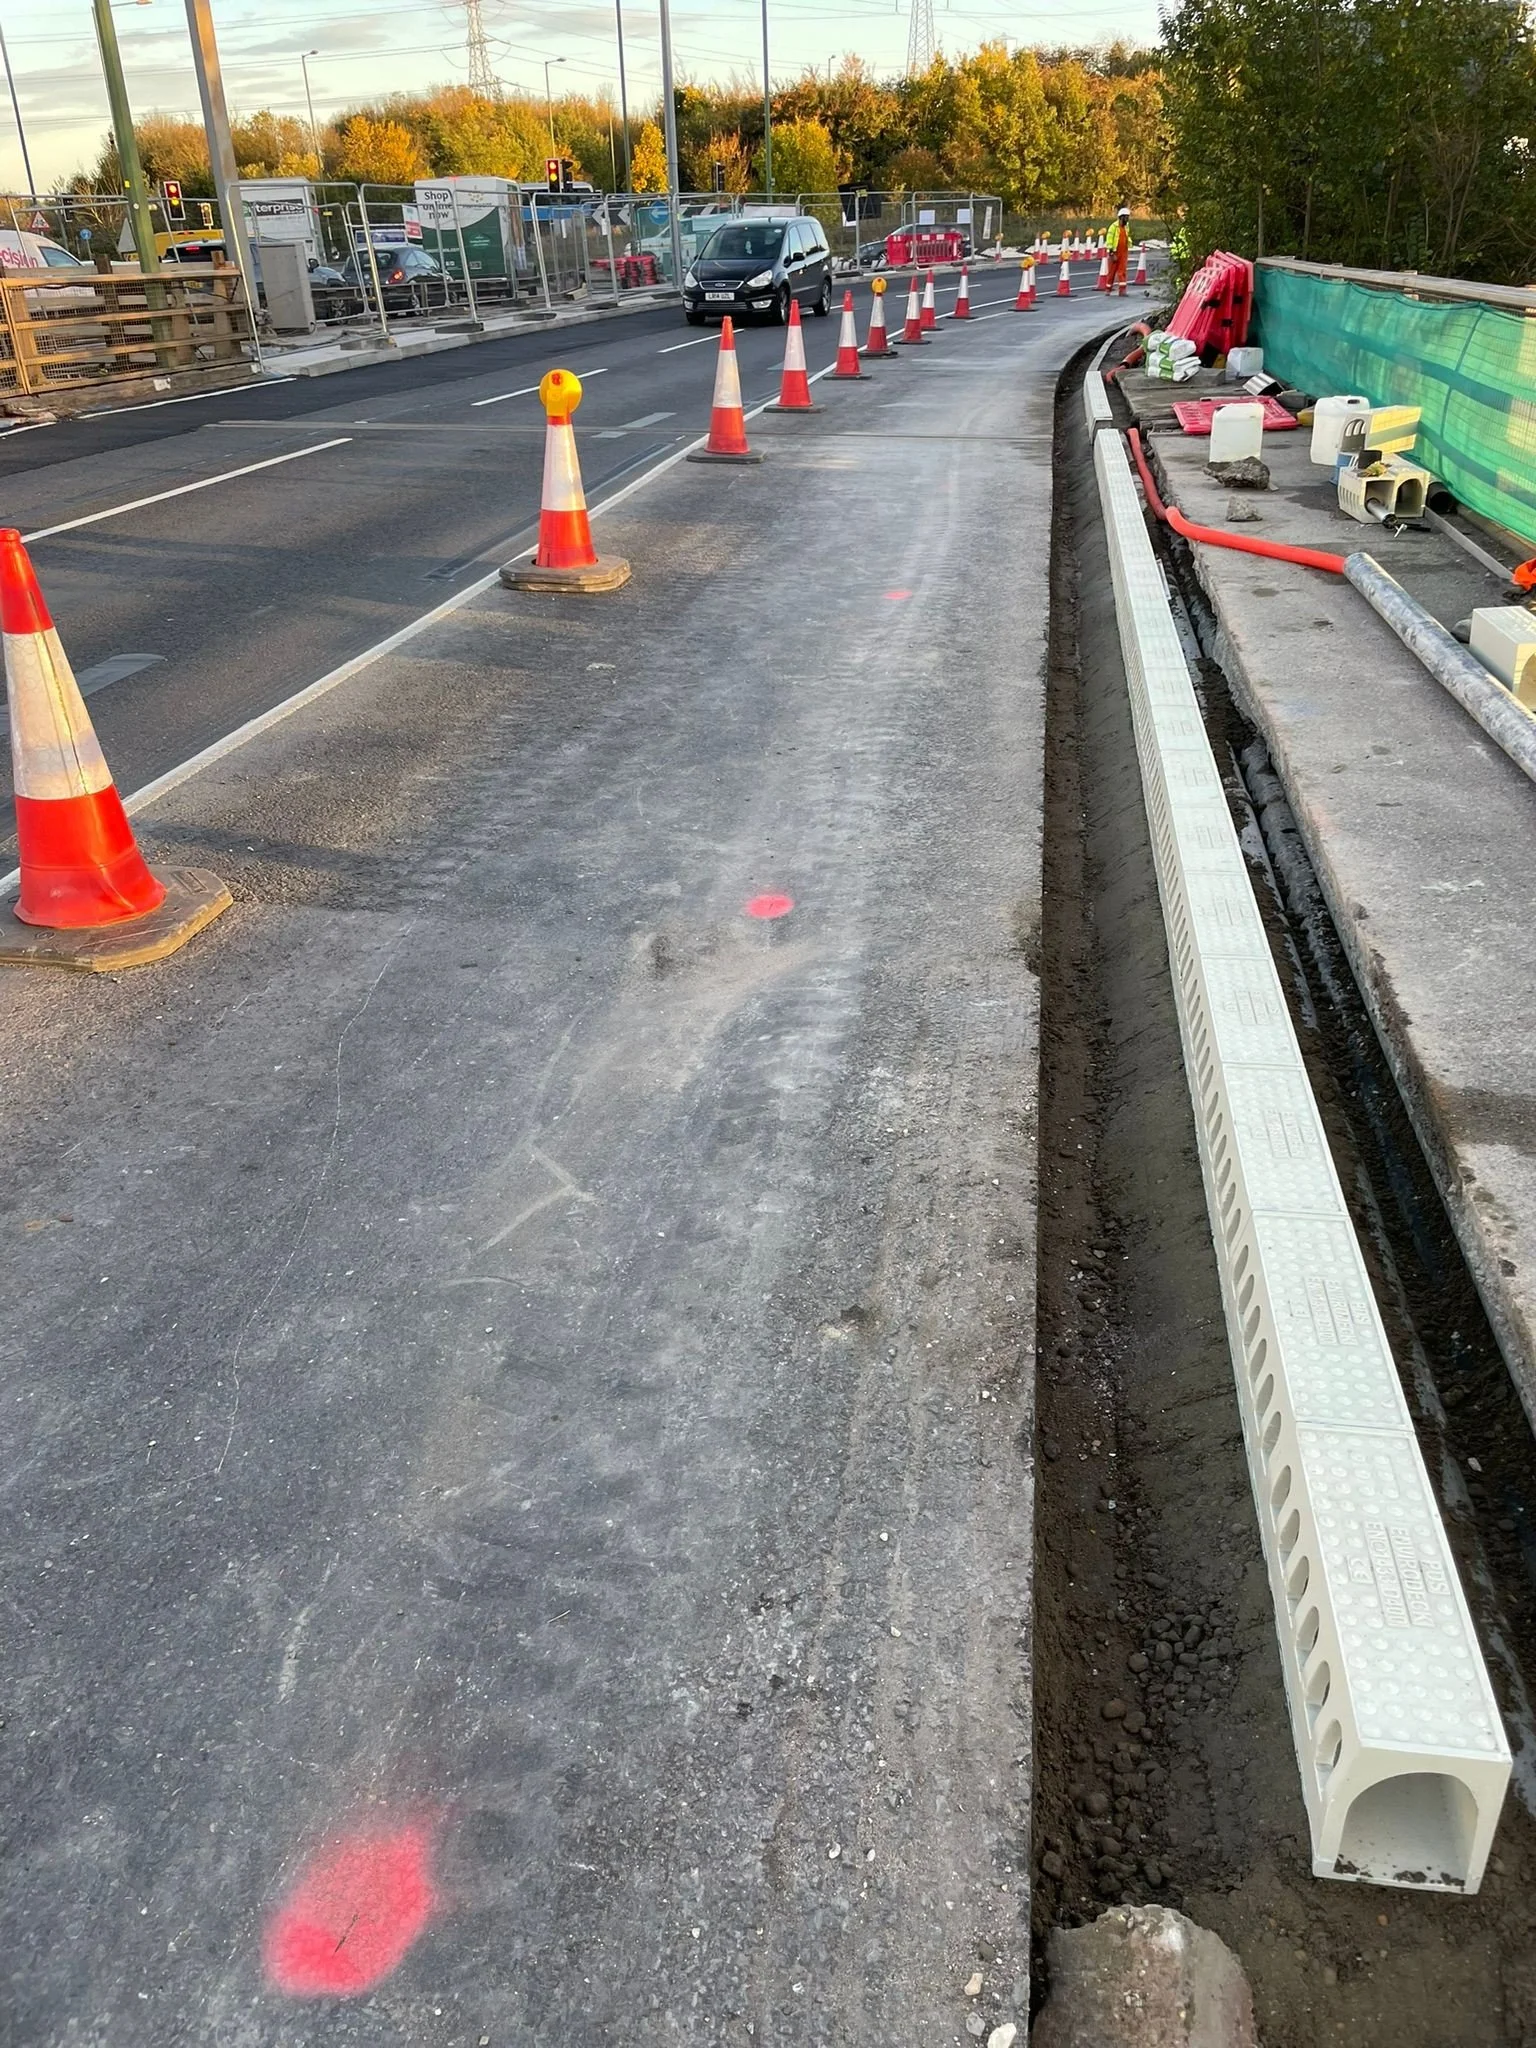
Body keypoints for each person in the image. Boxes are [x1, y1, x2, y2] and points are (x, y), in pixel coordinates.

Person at [1107, 205, 1133, 296]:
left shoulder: (1126, 226)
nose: (1127, 219)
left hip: (1123, 252)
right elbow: (1109, 240)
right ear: (1121, 217)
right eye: (1126, 217)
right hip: (1115, 252)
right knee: (1112, 272)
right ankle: (1108, 289)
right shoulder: (1113, 227)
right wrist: (1111, 252)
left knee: (1122, 271)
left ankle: (1122, 290)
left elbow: (1127, 236)